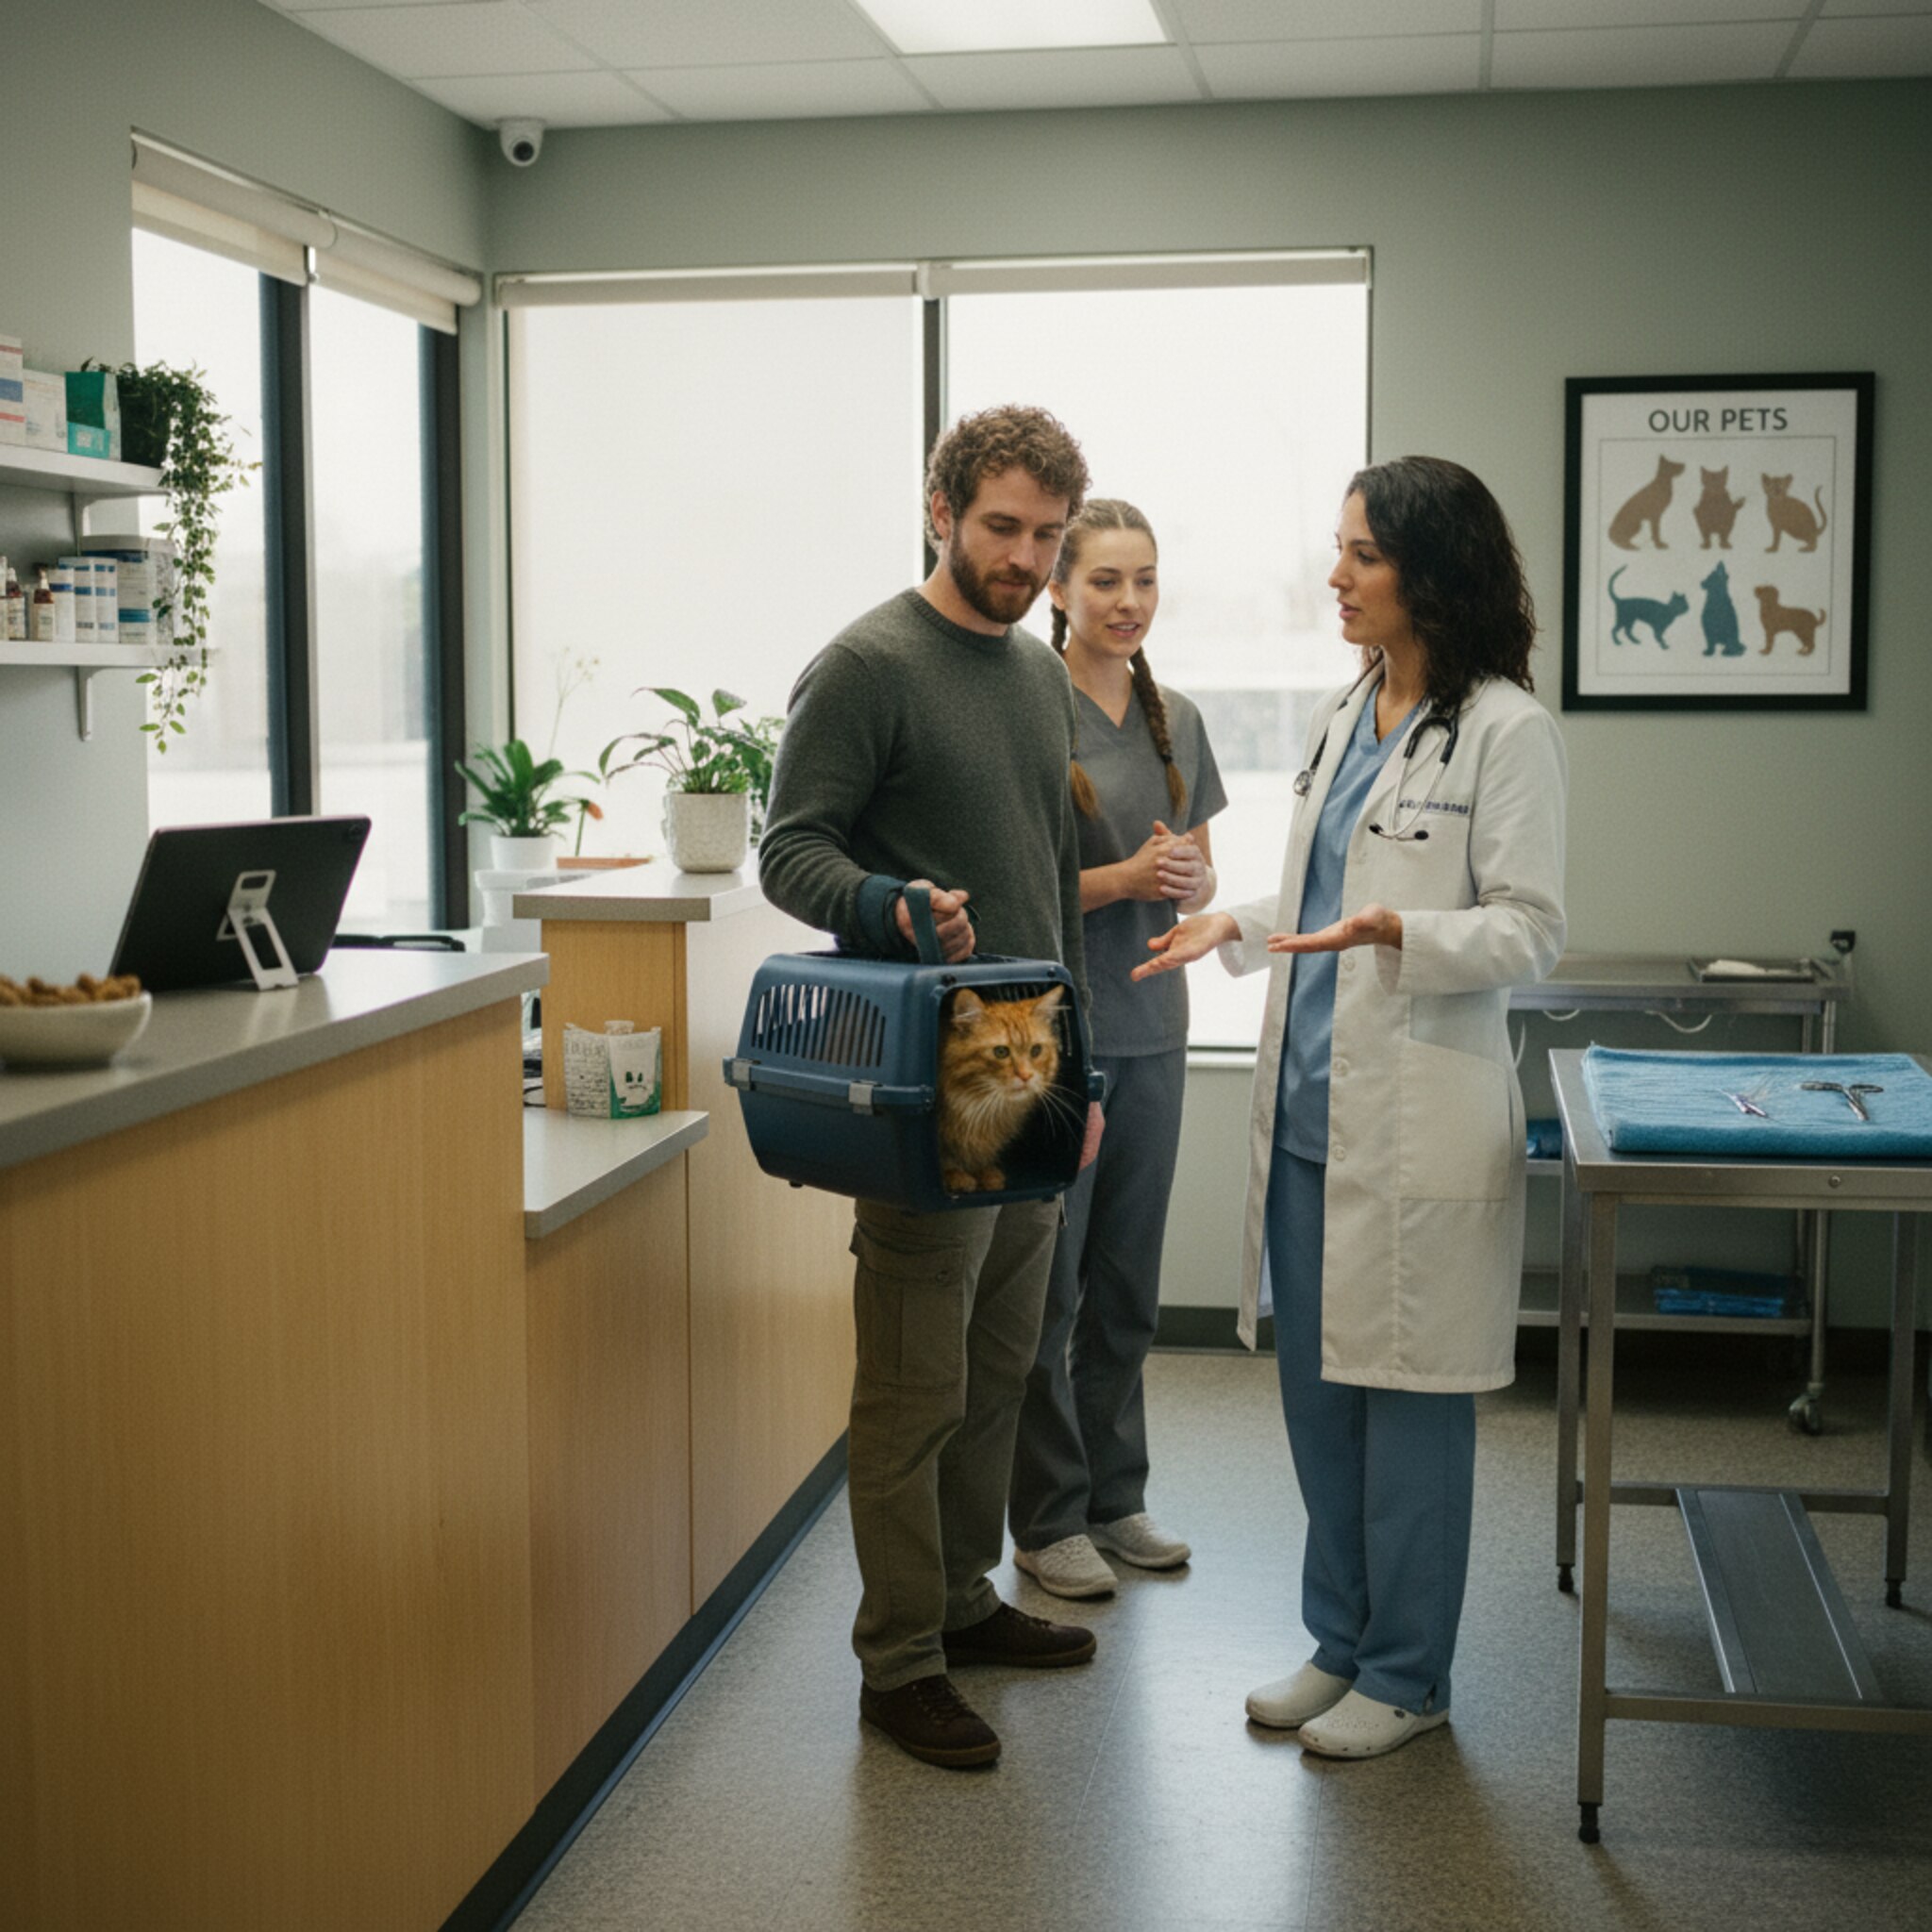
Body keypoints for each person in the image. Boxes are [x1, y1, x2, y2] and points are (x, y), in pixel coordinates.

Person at [1133, 456, 1567, 1760]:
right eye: (1340, 549)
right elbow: (1323, 892)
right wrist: (1238, 923)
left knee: (1410, 1410)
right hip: (1310, 1123)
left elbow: (1530, 929)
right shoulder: (1346, 710)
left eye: (1361, 554)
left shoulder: (1504, 730)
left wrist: (1405, 934)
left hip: (1417, 1125)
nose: (1335, 575)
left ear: (1430, 572)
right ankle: (1338, 1644)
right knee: (1322, 1409)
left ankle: (1408, 1674)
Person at [758, 404, 1101, 1771]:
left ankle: (963, 1599)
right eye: (1001, 527)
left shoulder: (1037, 672)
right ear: (939, 510)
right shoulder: (866, 665)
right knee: (914, 1388)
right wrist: (890, 903)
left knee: (999, 1368)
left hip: (1033, 1076)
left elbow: (1049, 887)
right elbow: (789, 850)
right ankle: (898, 1663)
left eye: (1047, 536)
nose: (1024, 557)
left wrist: (1083, 1081)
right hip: (927, 1086)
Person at [1008, 499, 1227, 1599]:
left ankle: (1114, 1497)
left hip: (1152, 1030)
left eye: (1143, 579)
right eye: (1104, 580)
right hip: (1051, 1038)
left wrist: (1186, 877)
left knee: (1127, 1284)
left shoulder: (1172, 717)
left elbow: (1198, 870)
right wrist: (1125, 879)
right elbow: (1017, 884)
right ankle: (1046, 1519)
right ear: (1057, 586)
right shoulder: (1022, 707)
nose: (1127, 601)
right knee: (1046, 1290)